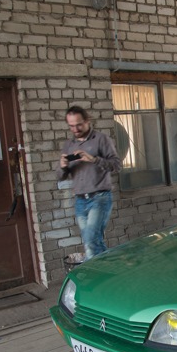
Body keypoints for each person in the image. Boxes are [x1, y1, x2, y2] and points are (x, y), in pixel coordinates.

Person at [57, 105, 123, 260]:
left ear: (87, 121)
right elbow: (60, 176)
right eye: (71, 126)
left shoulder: (101, 139)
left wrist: (93, 159)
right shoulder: (69, 145)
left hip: (99, 197)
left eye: (79, 124)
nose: (75, 129)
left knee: (91, 241)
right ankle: (109, 273)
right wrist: (62, 167)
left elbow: (116, 165)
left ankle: (98, 277)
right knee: (92, 242)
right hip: (80, 200)